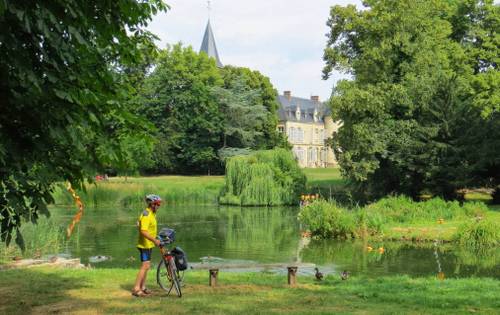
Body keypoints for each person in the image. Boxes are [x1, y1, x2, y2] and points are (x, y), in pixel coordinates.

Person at [132, 194, 162, 297]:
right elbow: (144, 231)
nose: (159, 206)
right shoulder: (146, 214)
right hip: (145, 245)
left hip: (149, 244)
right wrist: (154, 240)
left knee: (147, 266)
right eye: (157, 203)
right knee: (145, 266)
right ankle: (136, 288)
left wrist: (156, 238)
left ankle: (143, 287)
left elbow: (146, 227)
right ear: (152, 204)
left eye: (159, 204)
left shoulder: (152, 213)